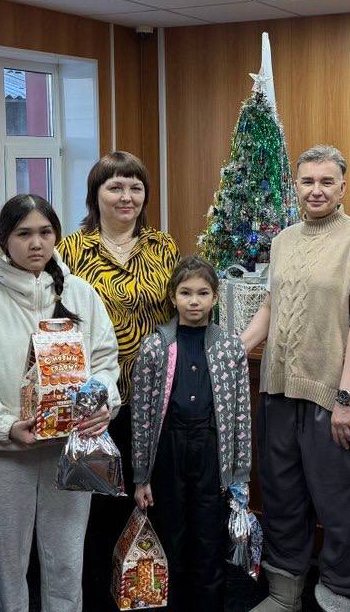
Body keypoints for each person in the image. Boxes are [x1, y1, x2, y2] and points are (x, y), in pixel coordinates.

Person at [240, 144, 350, 612]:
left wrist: (346, 400)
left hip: (333, 398)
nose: (316, 190)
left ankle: (340, 594)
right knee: (281, 496)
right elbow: (270, 306)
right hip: (279, 391)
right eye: (307, 181)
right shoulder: (282, 241)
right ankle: (284, 594)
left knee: (340, 504)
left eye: (326, 181)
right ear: (296, 185)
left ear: (343, 187)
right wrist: (234, 350)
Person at [0, 193, 119, 612]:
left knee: (66, 562)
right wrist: (6, 426)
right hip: (3, 456)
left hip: (69, 451)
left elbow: (106, 362)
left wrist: (100, 403)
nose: (36, 243)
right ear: (4, 239)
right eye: (23, 233)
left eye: (45, 232)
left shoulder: (81, 294)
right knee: (5, 566)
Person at [57, 150, 178, 610]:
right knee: (98, 513)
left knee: (152, 503)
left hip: (155, 402)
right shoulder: (70, 251)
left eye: (135, 187)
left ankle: (146, 593)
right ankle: (97, 597)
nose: (126, 196)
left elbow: (179, 316)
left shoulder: (162, 247)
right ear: (95, 194)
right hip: (96, 406)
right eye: (115, 187)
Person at [130, 256, 252, 612]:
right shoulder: (155, 346)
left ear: (215, 297)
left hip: (211, 451)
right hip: (168, 451)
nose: (194, 301)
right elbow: (141, 416)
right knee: (171, 537)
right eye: (185, 293)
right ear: (173, 296)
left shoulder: (230, 347)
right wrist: (141, 477)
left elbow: (241, 414)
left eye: (202, 293)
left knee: (209, 539)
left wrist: (240, 476)